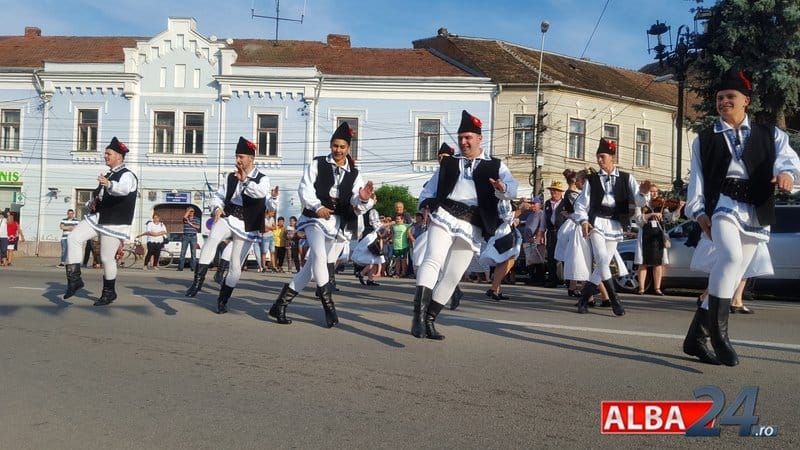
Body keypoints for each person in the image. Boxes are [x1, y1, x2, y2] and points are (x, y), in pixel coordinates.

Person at [682, 68, 799, 367]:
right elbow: (697, 179)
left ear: (746, 100)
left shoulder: (770, 134)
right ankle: (719, 336)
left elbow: (788, 160)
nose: (723, 102)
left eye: (730, 96)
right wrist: (698, 212)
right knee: (731, 257)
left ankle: (695, 337)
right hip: (723, 204)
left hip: (756, 208)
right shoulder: (705, 139)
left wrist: (786, 174)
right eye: (719, 97)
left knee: (734, 273)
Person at [412, 110, 518, 340]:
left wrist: (503, 188)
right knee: (433, 259)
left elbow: (512, 188)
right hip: (445, 215)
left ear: (480, 138)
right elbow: (429, 190)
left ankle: (430, 319)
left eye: (468, 137)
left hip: (473, 224)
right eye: (461, 138)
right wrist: (426, 205)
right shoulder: (449, 163)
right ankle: (418, 317)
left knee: (454, 274)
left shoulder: (495, 165)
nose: (464, 142)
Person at [267, 122, 375, 328]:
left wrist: (362, 198)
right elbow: (304, 189)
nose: (338, 150)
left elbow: (356, 202)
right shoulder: (317, 164)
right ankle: (329, 307)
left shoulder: (354, 173)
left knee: (309, 269)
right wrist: (318, 207)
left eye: (342, 147)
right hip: (314, 218)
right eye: (335, 146)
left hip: (336, 223)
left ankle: (279, 305)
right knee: (320, 256)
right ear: (330, 145)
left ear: (348, 148)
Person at [185, 137, 277, 314]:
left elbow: (259, 194)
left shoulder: (262, 179)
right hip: (229, 216)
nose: (238, 160)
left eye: (241, 157)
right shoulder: (231, 177)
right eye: (236, 156)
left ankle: (223, 299)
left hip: (247, 225)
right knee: (213, 238)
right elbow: (218, 196)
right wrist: (217, 207)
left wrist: (245, 181)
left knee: (235, 267)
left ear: (251, 158)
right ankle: (197, 282)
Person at [574, 138, 648, 315]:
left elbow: (639, 201)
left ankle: (583, 300)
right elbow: (581, 204)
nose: (599, 160)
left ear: (612, 157)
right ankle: (615, 300)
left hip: (615, 224)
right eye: (598, 157)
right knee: (601, 258)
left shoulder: (627, 178)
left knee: (603, 263)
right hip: (596, 222)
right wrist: (583, 221)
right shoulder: (592, 180)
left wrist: (644, 193)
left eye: (603, 156)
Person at [64, 137, 138, 305]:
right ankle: (74, 279)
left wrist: (109, 184)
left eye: (108, 153)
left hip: (114, 222)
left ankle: (109, 292)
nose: (105, 156)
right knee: (73, 238)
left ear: (119, 156)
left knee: (106, 258)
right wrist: (92, 202)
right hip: (99, 217)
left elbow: (123, 190)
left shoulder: (127, 175)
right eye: (105, 153)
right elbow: (101, 196)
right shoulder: (108, 174)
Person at [634, 184, 669, 295]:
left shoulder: (661, 205)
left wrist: (678, 208)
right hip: (645, 235)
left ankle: (657, 288)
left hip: (658, 236)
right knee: (643, 262)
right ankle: (641, 288)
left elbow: (669, 218)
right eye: (652, 191)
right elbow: (638, 220)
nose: (654, 194)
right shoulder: (640, 204)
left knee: (658, 263)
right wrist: (651, 214)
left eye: (656, 192)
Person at [351, 194, 384, 286]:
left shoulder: (362, 210)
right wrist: (389, 224)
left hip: (363, 234)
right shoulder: (372, 211)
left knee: (374, 258)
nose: (376, 200)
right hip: (370, 235)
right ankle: (362, 273)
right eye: (375, 198)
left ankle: (370, 279)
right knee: (373, 258)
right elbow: (376, 225)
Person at [543, 180, 568, 287]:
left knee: (564, 256)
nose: (554, 192)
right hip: (551, 232)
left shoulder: (566, 203)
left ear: (560, 192)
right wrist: (541, 233)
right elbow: (544, 218)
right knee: (551, 257)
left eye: (556, 190)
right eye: (552, 190)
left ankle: (568, 280)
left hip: (562, 232)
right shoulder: (547, 203)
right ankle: (552, 280)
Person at [522, 197, 546, 283]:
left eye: (534, 203)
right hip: (528, 240)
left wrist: (536, 237)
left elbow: (541, 226)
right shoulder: (530, 214)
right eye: (531, 203)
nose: (532, 205)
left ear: (539, 205)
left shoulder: (541, 213)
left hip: (536, 240)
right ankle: (532, 278)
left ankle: (540, 279)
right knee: (531, 260)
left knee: (538, 260)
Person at [178, 207, 201, 271]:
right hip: (185, 236)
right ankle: (180, 267)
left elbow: (198, 227)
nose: (191, 212)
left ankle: (193, 268)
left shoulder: (197, 219)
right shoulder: (186, 218)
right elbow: (184, 217)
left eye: (192, 211)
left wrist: (190, 223)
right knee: (183, 252)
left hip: (193, 236)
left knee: (193, 253)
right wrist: (188, 210)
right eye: (189, 211)